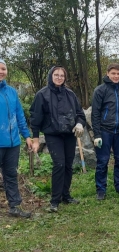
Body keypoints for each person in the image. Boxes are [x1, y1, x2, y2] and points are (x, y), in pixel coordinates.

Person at [30, 65, 86, 212]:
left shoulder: (70, 94)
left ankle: (66, 195)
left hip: (69, 134)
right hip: (53, 134)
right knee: (59, 164)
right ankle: (55, 200)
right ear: (51, 76)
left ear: (65, 78)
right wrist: (35, 138)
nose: (59, 77)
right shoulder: (42, 95)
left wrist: (80, 124)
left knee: (68, 164)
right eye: (56, 75)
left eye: (62, 75)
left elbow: (80, 114)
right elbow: (35, 118)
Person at [91, 63, 119, 200]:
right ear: (108, 74)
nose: (116, 76)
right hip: (105, 131)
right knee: (102, 162)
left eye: (118, 74)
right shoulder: (100, 90)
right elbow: (95, 114)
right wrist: (97, 134)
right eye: (113, 73)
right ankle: (101, 190)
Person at [0, 59, 33, 218]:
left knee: (10, 174)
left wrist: (27, 136)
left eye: (3, 68)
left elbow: (20, 115)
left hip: (13, 143)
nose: (1, 71)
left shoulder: (12, 92)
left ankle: (14, 207)